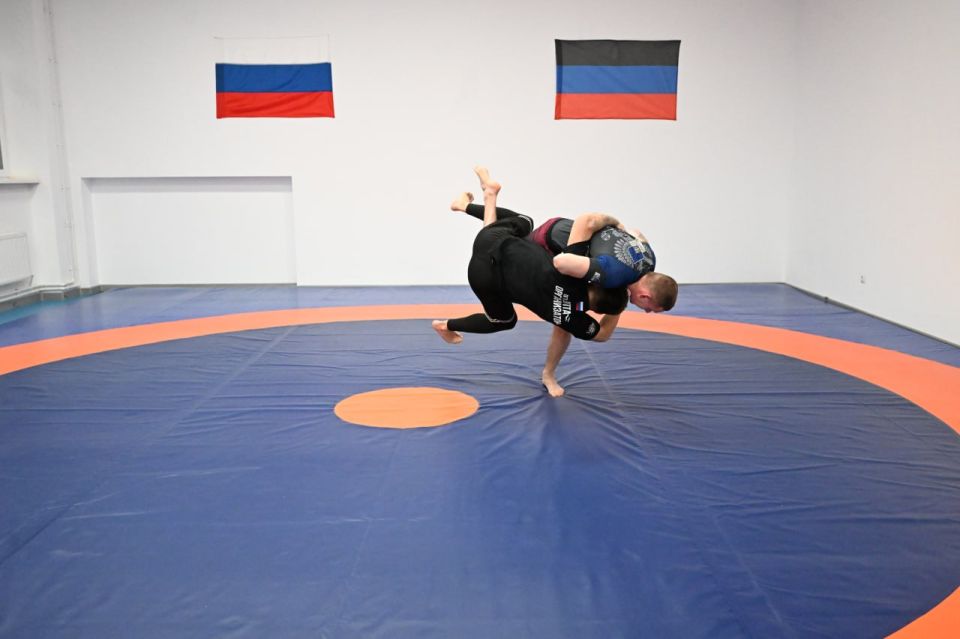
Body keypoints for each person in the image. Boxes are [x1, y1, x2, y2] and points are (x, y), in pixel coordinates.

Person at [433, 168, 628, 397]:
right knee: (503, 321)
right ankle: (446, 325)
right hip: (482, 277)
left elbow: (585, 222)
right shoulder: (573, 319)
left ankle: (480, 200)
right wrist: (618, 308)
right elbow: (603, 334)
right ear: (597, 310)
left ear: (597, 283)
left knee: (525, 222)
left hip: (490, 240)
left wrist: (618, 230)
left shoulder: (572, 269)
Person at [450, 196, 678, 313]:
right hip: (549, 241)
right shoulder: (614, 274)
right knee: (500, 246)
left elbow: (636, 233)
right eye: (649, 308)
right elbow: (562, 262)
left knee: (519, 223)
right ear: (645, 296)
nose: (645, 311)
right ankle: (486, 198)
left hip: (561, 226)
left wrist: (614, 224)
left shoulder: (649, 259)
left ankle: (467, 205)